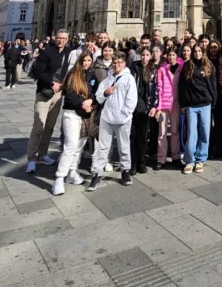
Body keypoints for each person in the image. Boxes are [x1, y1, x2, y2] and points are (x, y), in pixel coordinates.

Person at [87, 51, 138, 189]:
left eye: (119, 62)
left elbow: (132, 99)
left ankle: (125, 170)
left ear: (124, 64)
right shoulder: (107, 79)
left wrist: (125, 114)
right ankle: (96, 173)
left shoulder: (128, 78)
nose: (116, 65)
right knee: (102, 147)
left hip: (122, 119)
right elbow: (98, 96)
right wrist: (105, 92)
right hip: (106, 118)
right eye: (114, 63)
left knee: (124, 146)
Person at [25, 29, 71, 173]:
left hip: (58, 95)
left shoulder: (69, 52)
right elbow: (38, 71)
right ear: (55, 38)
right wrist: (52, 83)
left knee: (50, 127)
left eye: (64, 38)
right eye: (59, 38)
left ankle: (43, 154)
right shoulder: (47, 52)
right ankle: (32, 159)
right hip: (44, 93)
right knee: (38, 126)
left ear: (67, 40)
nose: (61, 40)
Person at [52, 51, 95, 195]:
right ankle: (59, 177)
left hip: (86, 115)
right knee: (70, 145)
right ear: (80, 60)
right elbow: (69, 96)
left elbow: (95, 91)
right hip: (72, 114)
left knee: (80, 145)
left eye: (89, 60)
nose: (87, 63)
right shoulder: (72, 74)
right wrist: (83, 103)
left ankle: (72, 172)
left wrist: (91, 101)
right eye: (85, 60)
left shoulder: (91, 75)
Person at [178, 43, 216, 174]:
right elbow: (182, 86)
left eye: (200, 51)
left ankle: (200, 159)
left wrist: (213, 102)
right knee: (191, 133)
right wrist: (183, 104)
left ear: (203, 52)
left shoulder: (208, 66)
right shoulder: (188, 65)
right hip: (192, 105)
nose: (197, 54)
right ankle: (189, 160)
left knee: (205, 132)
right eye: (195, 51)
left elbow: (212, 85)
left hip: (205, 104)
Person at [130, 48, 160, 174]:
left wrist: (154, 106)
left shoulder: (154, 69)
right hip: (132, 107)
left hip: (146, 107)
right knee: (132, 136)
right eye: (143, 55)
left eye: (147, 55)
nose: (144, 57)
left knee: (143, 137)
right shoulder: (133, 68)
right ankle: (131, 164)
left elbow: (156, 90)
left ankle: (141, 162)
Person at [155, 49, 183, 168]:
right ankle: (161, 158)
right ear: (167, 56)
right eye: (170, 55)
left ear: (177, 56)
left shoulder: (180, 69)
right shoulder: (162, 69)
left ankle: (175, 157)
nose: (171, 57)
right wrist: (158, 107)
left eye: (173, 55)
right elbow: (159, 88)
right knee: (162, 132)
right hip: (164, 105)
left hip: (176, 103)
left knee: (175, 131)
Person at [207, 40, 222, 159]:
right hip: (207, 96)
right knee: (207, 124)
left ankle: (219, 149)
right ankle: (208, 148)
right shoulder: (205, 61)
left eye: (215, 47)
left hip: (219, 95)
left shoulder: (221, 61)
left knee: (218, 124)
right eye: (211, 47)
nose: (213, 49)